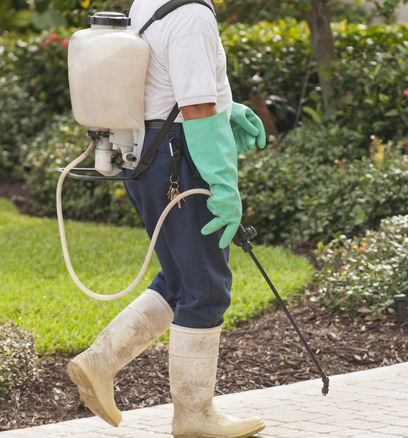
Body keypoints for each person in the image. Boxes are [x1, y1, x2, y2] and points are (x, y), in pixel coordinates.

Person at [66, 0, 267, 437]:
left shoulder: (148, 2)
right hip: (178, 157)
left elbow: (157, 81)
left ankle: (100, 362)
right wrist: (223, 185)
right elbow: (195, 109)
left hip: (144, 153)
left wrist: (226, 105)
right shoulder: (192, 15)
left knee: (180, 279)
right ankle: (195, 416)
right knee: (206, 287)